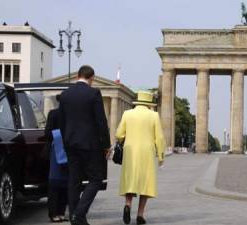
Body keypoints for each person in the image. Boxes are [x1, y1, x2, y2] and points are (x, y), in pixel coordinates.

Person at [58, 65, 111, 225]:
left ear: (78, 76)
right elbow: (101, 121)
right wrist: (106, 145)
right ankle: (79, 213)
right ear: (91, 78)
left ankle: (75, 217)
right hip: (90, 144)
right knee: (96, 178)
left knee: (74, 180)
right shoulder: (93, 93)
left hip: (70, 143)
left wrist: (66, 139)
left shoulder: (65, 95)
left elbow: (62, 121)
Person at [115, 91, 166, 225]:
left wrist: (124, 140)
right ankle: (140, 215)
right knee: (145, 183)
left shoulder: (127, 114)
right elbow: (159, 137)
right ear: (149, 104)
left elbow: (119, 134)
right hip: (146, 152)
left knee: (130, 180)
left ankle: (127, 205)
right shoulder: (154, 115)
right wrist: (161, 156)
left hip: (130, 151)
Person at [45, 95, 68, 223]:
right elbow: (47, 133)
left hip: (68, 152)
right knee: (55, 183)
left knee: (65, 183)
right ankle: (54, 213)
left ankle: (60, 212)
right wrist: (61, 137)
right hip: (56, 150)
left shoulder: (71, 115)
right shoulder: (53, 114)